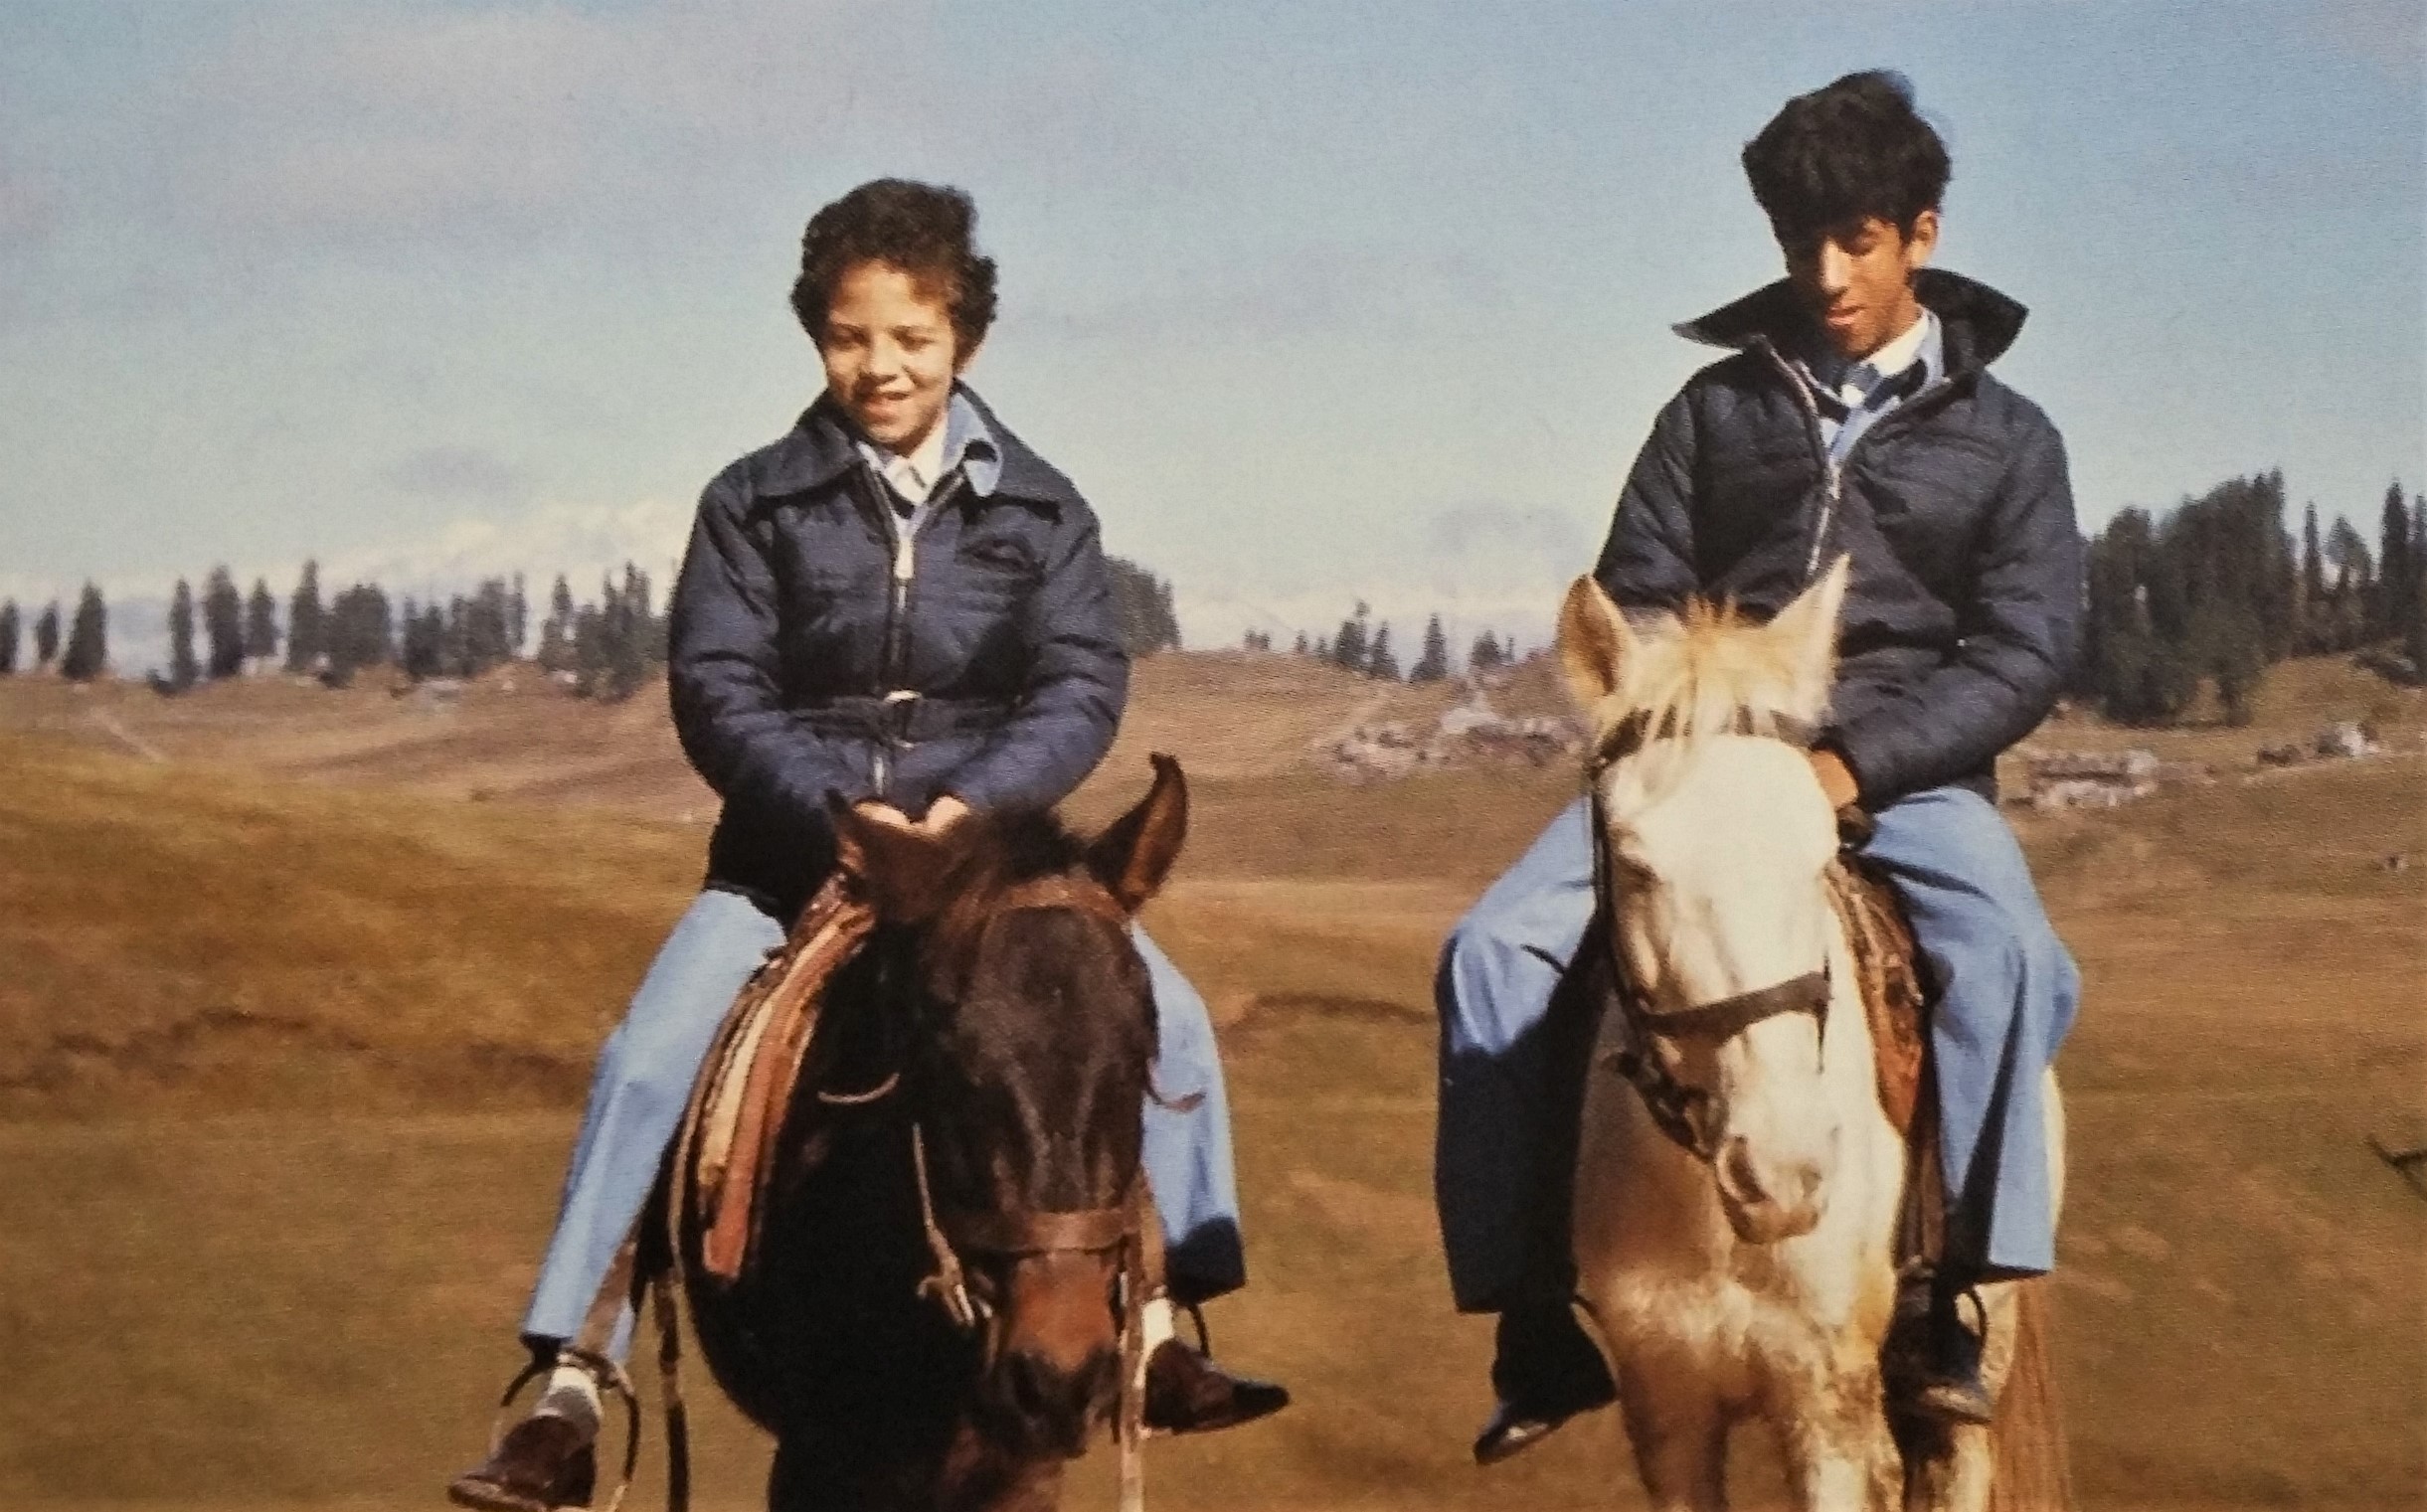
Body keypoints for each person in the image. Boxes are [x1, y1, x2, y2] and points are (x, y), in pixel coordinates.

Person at [449, 179, 1286, 1512]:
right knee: (649, 1053)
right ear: (816, 337)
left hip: (979, 865)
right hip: (792, 863)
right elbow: (718, 687)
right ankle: (567, 1383)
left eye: (910, 337)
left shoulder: (1046, 512)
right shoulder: (754, 504)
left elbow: (1077, 686)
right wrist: (843, 810)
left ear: (964, 338)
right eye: (851, 336)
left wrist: (964, 813)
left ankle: (1166, 1328)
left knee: (1169, 1022)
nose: (880, 365)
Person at [1435, 71, 2083, 1464]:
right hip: (1705, 764)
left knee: (2013, 958)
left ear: (1919, 231)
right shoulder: (1711, 412)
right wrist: (1695, 733)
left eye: (1855, 240)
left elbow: (2023, 649)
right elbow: (1636, 591)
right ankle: (1531, 1312)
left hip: (1899, 777)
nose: (1824, 273)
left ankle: (1956, 1290)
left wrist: (1858, 763)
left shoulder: (2010, 440)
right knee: (1491, 953)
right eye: (1799, 242)